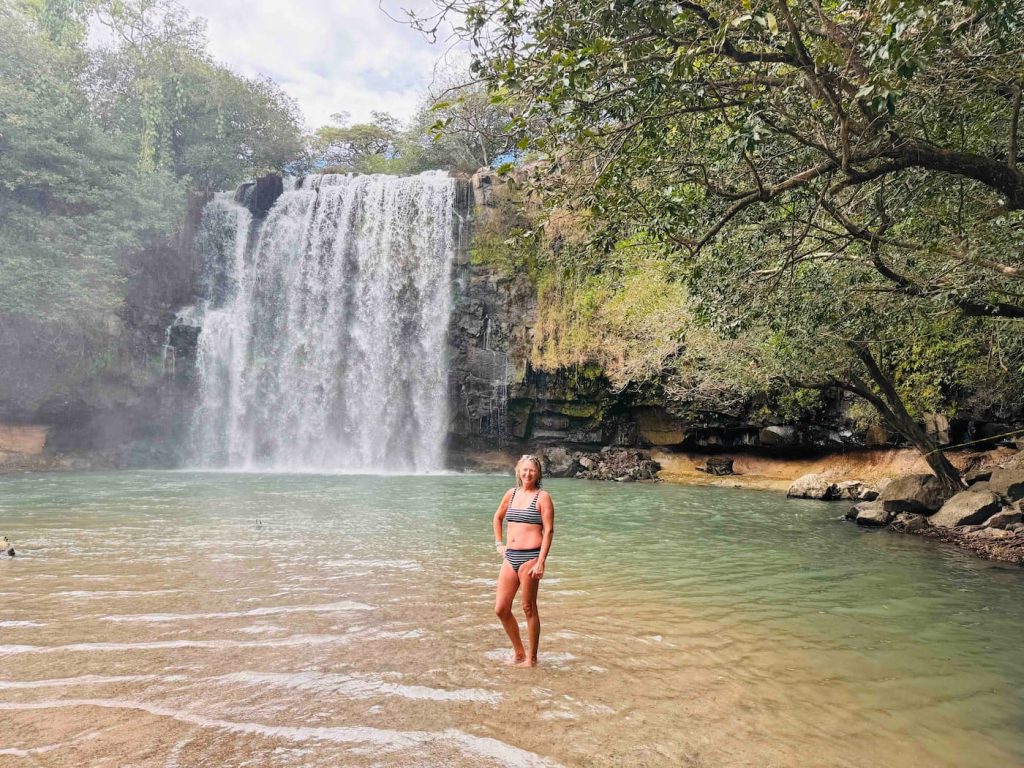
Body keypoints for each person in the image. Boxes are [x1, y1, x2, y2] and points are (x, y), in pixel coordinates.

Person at [493, 454, 555, 667]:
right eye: (524, 470)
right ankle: (519, 652)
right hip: (510, 557)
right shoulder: (510, 494)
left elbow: (548, 531)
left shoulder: (543, 497)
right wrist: (498, 543)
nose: (528, 474)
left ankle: (532, 658)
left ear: (538, 474)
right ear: (518, 471)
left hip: (530, 557)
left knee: (528, 607)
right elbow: (497, 517)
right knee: (501, 609)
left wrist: (541, 561)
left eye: (532, 470)